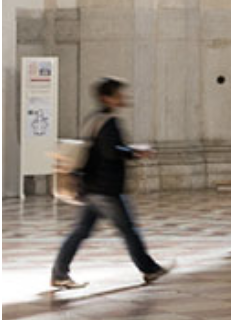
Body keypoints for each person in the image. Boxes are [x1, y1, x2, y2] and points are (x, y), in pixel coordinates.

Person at [52, 78, 168, 289]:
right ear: (107, 98)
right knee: (128, 230)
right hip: (105, 188)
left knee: (81, 231)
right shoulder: (108, 122)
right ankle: (150, 269)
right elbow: (110, 152)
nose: (122, 98)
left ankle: (59, 273)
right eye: (118, 95)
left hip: (93, 186)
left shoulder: (95, 119)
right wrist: (136, 152)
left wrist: (129, 150)